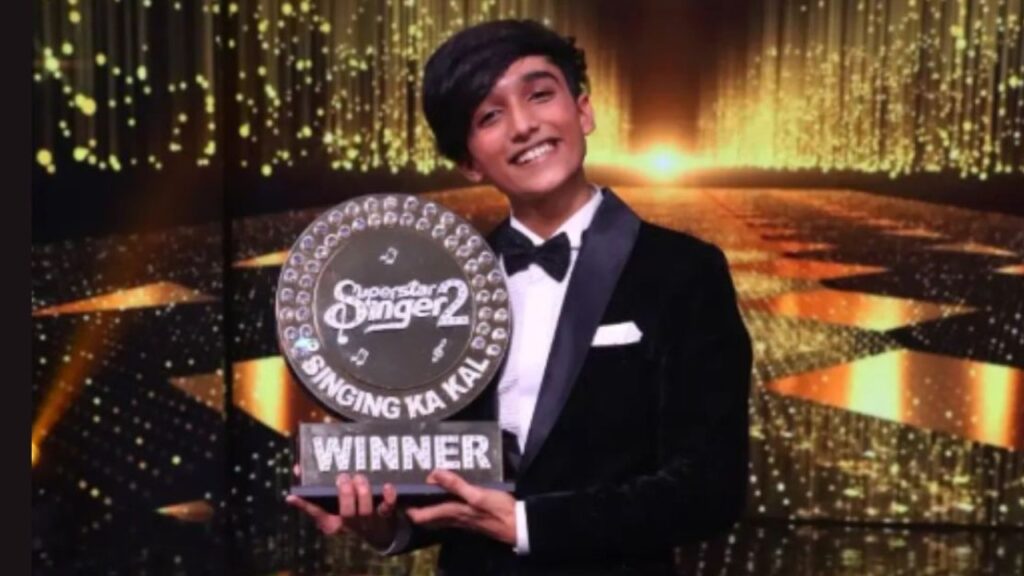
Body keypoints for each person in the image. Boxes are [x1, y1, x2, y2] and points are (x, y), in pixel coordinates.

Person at [286, 18, 753, 575]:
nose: (524, 125)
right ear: (468, 161)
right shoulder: (440, 286)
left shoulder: (683, 271)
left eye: (539, 95)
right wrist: (390, 526)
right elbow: (446, 474)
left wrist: (527, 525)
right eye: (489, 116)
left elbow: (709, 489)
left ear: (583, 111)